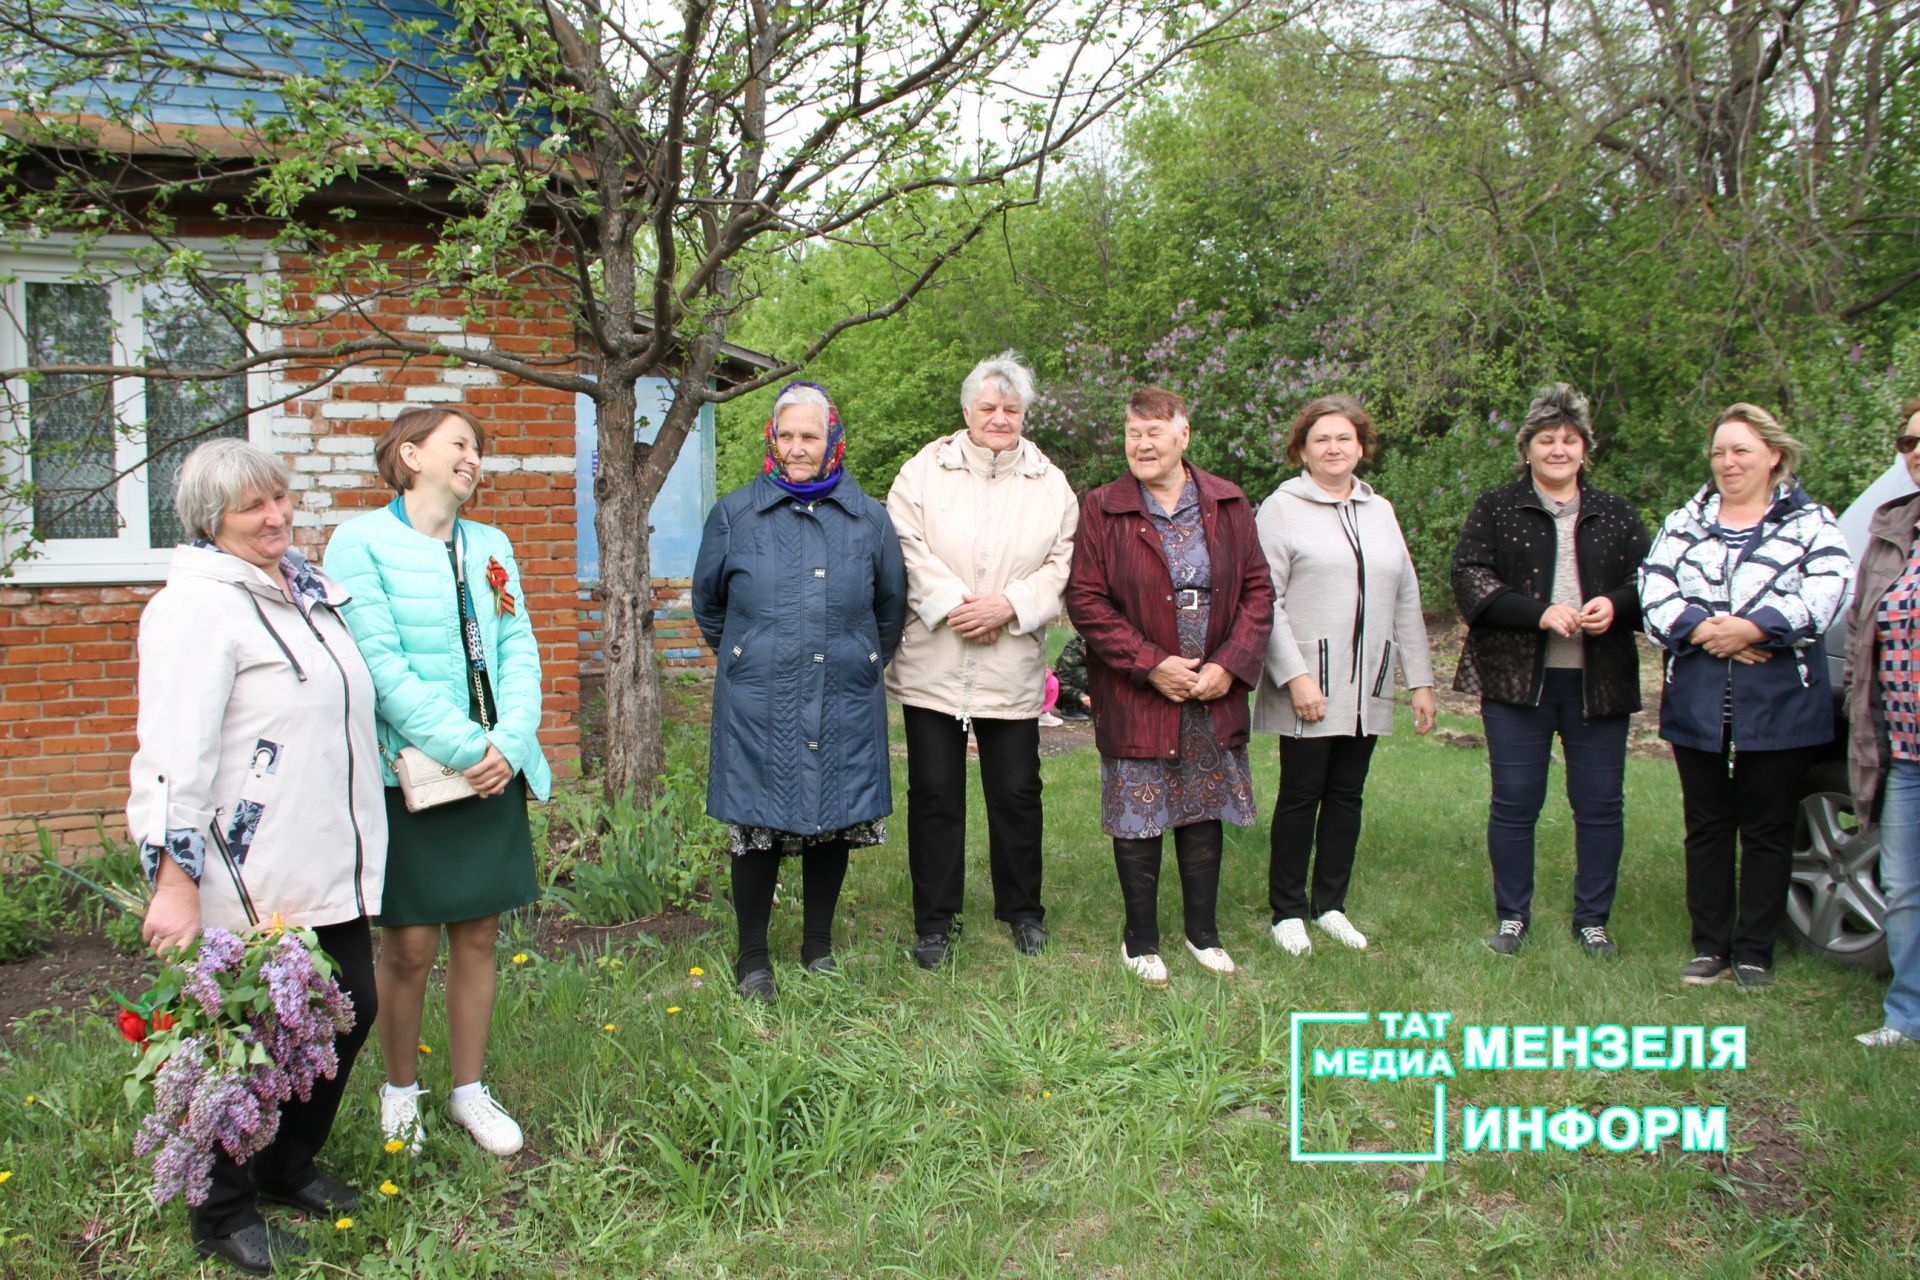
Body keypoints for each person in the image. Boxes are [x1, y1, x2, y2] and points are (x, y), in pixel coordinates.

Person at [128, 439, 386, 1274]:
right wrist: (175, 879)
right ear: (213, 522)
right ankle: (220, 1211)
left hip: (324, 852)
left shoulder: (303, 591)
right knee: (244, 1041)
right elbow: (174, 751)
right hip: (249, 869)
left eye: (280, 498)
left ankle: (283, 1164)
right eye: (253, 508)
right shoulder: (197, 608)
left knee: (349, 1006)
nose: (275, 517)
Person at [323, 407, 550, 1156]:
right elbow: (379, 665)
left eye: (480, 449)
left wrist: (509, 745)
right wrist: (465, 747)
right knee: (410, 944)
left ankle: (467, 1092)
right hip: (412, 775)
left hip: (491, 771)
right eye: (461, 444)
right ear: (411, 454)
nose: (474, 458)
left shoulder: (490, 544)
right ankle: (398, 1095)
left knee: (479, 934)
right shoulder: (360, 543)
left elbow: (518, 644)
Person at [693, 381, 907, 1002]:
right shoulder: (735, 514)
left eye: (809, 436)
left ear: (832, 439)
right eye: (785, 435)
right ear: (771, 439)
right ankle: (752, 958)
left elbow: (891, 606)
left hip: (843, 688)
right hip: (758, 695)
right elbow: (709, 604)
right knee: (756, 823)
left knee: (831, 820)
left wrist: (863, 658)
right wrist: (745, 654)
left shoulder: (868, 517)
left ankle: (819, 947)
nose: (796, 448)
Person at [1066, 387, 1274, 985]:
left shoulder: (1228, 502)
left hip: (1212, 685)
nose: (1143, 443)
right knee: (1140, 808)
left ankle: (1202, 933)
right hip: (1138, 688)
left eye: (1155, 432)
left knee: (1202, 804)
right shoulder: (1103, 507)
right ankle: (1141, 940)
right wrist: (1152, 663)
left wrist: (1229, 664)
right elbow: (1086, 599)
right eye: (1133, 433)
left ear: (1184, 436)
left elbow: (1259, 590)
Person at [1641, 403, 1851, 989]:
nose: (1728, 463)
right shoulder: (1685, 522)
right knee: (1707, 824)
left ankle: (1755, 949)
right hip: (1699, 698)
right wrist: (1710, 631)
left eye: (1741, 451)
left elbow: (1829, 588)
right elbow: (1654, 586)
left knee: (1767, 825)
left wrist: (1755, 628)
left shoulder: (1812, 523)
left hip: (1782, 702)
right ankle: (1710, 945)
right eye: (1719, 452)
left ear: (1774, 456)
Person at [886, 351, 1079, 967]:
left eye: (1011, 408)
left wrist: (1010, 606)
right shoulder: (923, 472)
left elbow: (1062, 562)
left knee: (1018, 791)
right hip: (935, 659)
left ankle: (1023, 911)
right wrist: (953, 604)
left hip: (1009, 660)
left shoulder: (1050, 484)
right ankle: (935, 922)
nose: (1000, 417)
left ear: (1024, 414)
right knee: (936, 792)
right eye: (989, 407)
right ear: (967, 410)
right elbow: (903, 546)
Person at [1451, 384, 1651, 958]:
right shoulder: (1496, 507)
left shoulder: (1615, 512)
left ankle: (1593, 921)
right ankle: (1513, 915)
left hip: (1599, 680)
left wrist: (1615, 605)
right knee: (1515, 800)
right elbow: (1471, 581)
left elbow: (1652, 584)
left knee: (1599, 803)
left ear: (1585, 447)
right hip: (1519, 683)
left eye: (1569, 439)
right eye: (1547, 440)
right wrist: (1539, 614)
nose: (1558, 449)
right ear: (1529, 447)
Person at [1253, 395, 1435, 956]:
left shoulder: (1379, 511)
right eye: (1322, 439)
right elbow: (1266, 601)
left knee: (1347, 796)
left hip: (1368, 683)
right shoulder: (1281, 509)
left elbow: (1405, 595)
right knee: (1301, 794)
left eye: (1345, 439)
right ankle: (1286, 911)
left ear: (1361, 447)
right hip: (1311, 680)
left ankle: (1330, 904)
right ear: (1302, 449)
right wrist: (1295, 677)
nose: (1334, 448)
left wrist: (1421, 679)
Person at [1844, 396, 1920, 1046]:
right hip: (1905, 751)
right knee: (1902, 885)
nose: (1916, 450)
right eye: (1909, 440)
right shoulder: (1890, 526)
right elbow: (1859, 626)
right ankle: (1907, 1018)